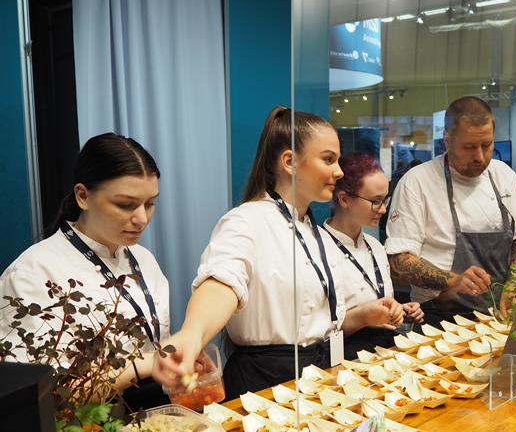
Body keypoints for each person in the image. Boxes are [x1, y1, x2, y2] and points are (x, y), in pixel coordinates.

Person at [158, 107, 402, 399]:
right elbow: (222, 283)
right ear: (290, 162)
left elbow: (315, 324)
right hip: (266, 384)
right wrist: (192, 334)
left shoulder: (313, 230)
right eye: (328, 159)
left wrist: (361, 315)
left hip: (318, 376)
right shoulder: (247, 220)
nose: (339, 171)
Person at [0, 133, 181, 409]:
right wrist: (147, 363)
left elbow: (155, 346)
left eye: (150, 203)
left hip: (155, 418)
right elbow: (44, 395)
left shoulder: (144, 260)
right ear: (83, 196)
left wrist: (174, 362)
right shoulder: (33, 272)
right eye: (125, 204)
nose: (142, 218)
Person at [385, 96, 516, 326]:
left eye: (486, 145)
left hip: (500, 315)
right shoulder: (417, 182)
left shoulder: (504, 175)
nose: (479, 156)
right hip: (438, 318)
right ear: (447, 139)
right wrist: (452, 281)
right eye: (468, 147)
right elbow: (398, 262)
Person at [325, 152, 423, 358]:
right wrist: (362, 317)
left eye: (385, 199)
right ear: (344, 199)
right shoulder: (319, 248)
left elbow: (381, 303)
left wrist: (400, 311)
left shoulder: (375, 246)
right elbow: (316, 328)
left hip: (386, 352)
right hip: (343, 358)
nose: (383, 208)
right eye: (375, 201)